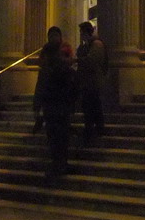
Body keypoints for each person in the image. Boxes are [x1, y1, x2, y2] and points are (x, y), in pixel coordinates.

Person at [33, 27, 77, 181]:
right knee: (56, 137)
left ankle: (60, 163)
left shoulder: (58, 65)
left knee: (59, 136)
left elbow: (68, 84)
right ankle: (59, 163)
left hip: (58, 103)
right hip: (53, 104)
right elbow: (42, 85)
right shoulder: (52, 65)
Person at [76, 21, 107, 147]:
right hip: (87, 81)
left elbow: (91, 61)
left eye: (82, 33)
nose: (81, 35)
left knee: (92, 105)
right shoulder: (87, 45)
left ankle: (95, 128)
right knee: (90, 105)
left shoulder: (96, 44)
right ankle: (94, 127)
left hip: (93, 81)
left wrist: (78, 59)